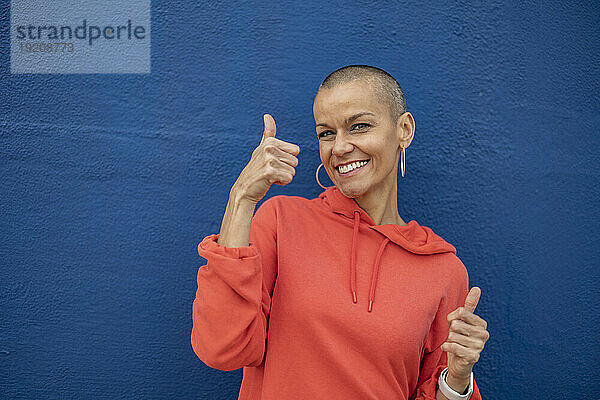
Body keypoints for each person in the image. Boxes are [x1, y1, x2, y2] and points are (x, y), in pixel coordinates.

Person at [191, 65, 489, 400]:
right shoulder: (280, 221)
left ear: (403, 129)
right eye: (326, 133)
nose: (340, 147)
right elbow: (221, 348)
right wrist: (242, 197)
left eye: (359, 126)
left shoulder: (444, 270)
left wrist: (458, 380)